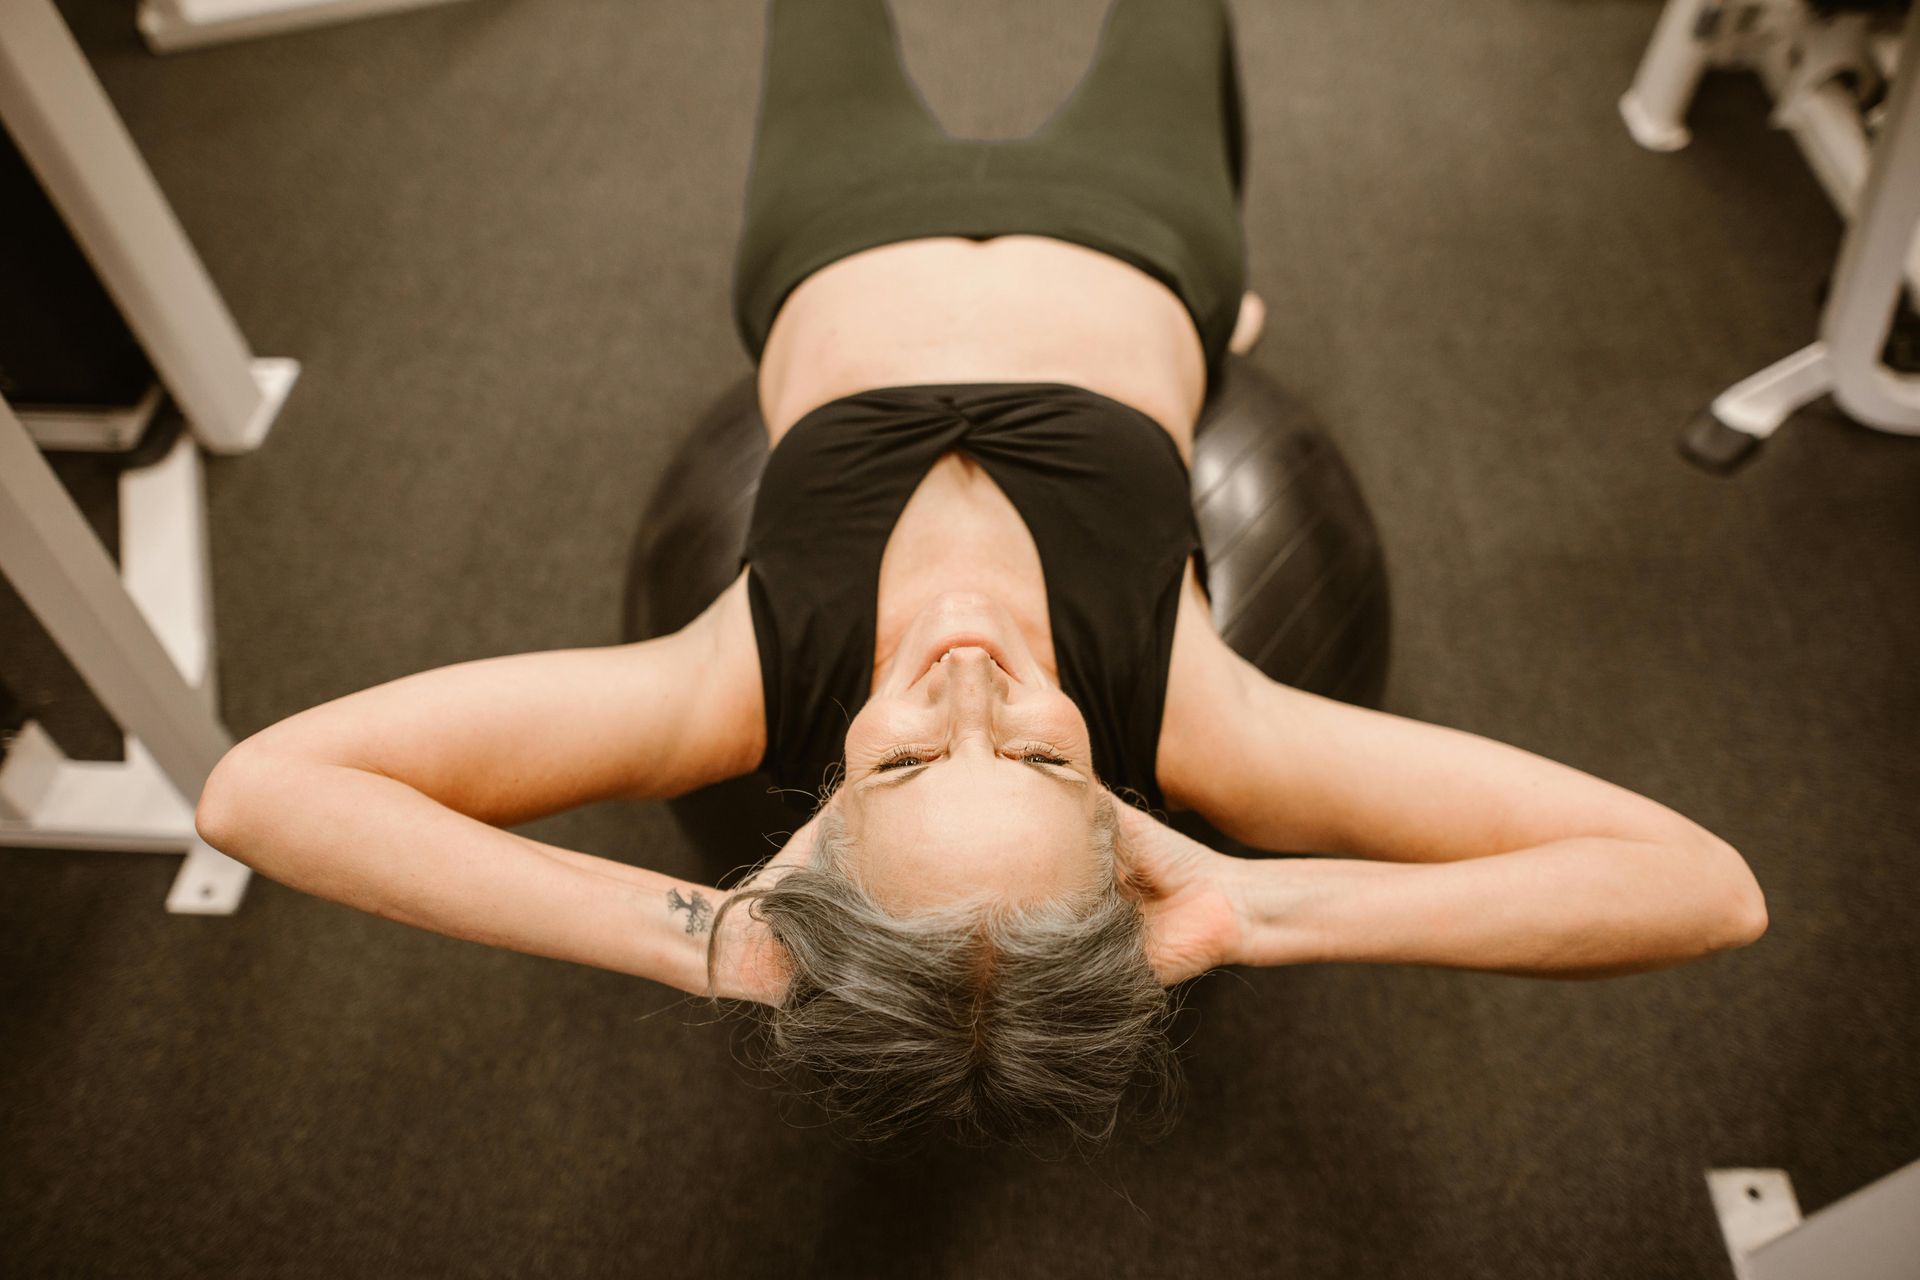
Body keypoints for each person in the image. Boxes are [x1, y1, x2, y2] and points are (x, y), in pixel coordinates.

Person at [194, 0, 1767, 1150]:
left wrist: (713, 942)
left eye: (896, 759)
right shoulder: (1211, 719)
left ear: (806, 825)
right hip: (1139, 241)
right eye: (1037, 755)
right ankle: (1218, 338)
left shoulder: (724, 682)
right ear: (1128, 815)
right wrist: (1254, 915)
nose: (964, 682)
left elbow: (265, 791)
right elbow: (1704, 889)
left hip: (836, 236)